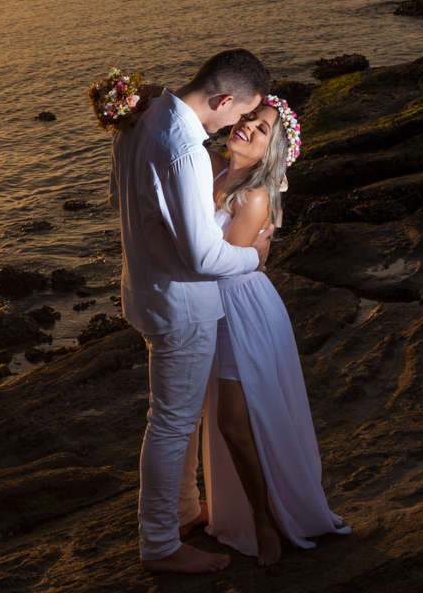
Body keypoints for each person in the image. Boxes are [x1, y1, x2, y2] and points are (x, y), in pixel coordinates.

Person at [107, 48, 274, 574]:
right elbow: (202, 254)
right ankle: (159, 544)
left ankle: (182, 511)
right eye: (240, 114)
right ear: (223, 98)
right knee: (172, 425)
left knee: (171, 417)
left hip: (143, 286)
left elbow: (118, 198)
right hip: (181, 303)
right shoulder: (183, 145)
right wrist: (254, 257)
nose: (238, 124)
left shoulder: (144, 114)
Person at [200, 96, 350, 565]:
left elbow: (218, 266)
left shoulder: (256, 195)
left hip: (243, 312)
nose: (246, 127)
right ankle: (248, 511)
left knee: (232, 421)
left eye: (261, 128)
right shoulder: (217, 168)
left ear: (272, 152)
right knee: (232, 423)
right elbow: (179, 133)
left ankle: (266, 520)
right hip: (215, 309)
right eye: (247, 118)